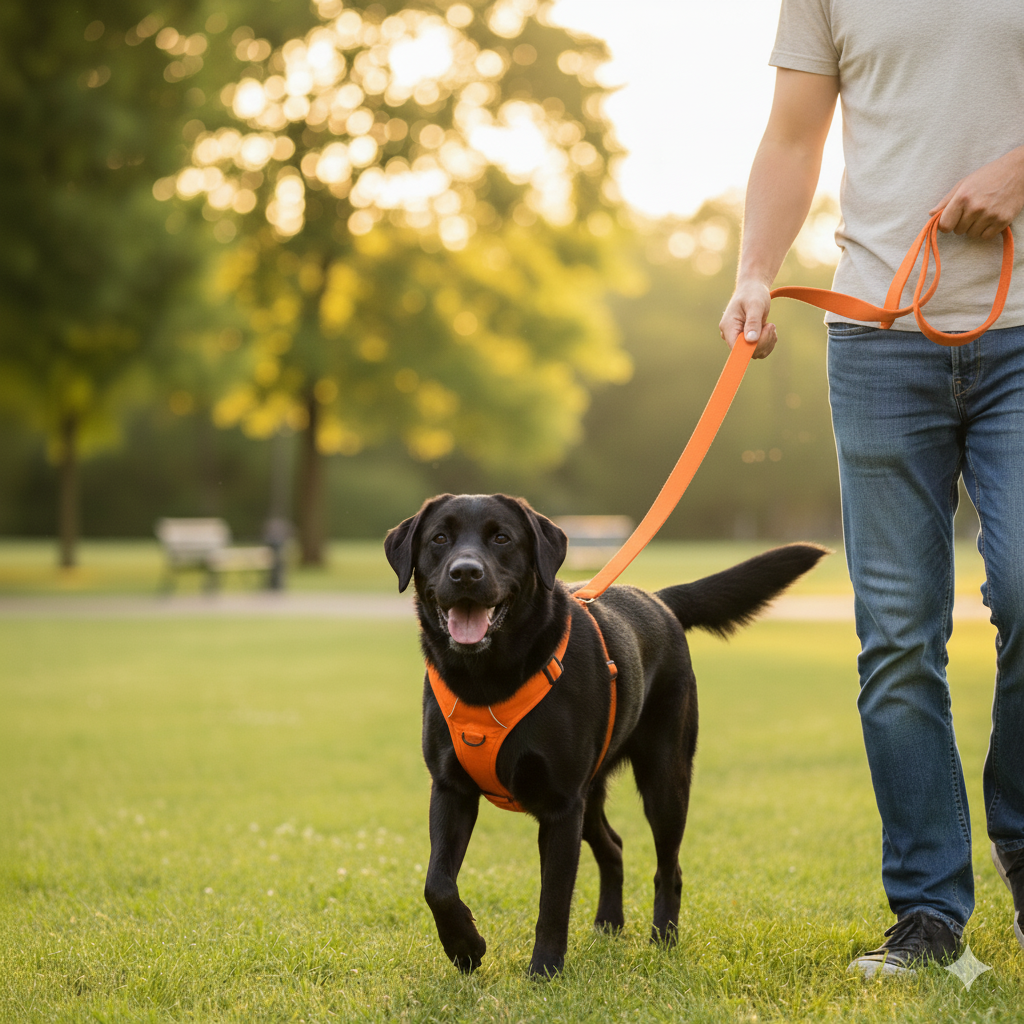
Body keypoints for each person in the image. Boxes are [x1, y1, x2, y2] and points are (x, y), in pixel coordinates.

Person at [719, 0, 1024, 976]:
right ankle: (928, 914)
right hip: (873, 332)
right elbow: (793, 133)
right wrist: (754, 271)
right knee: (897, 631)